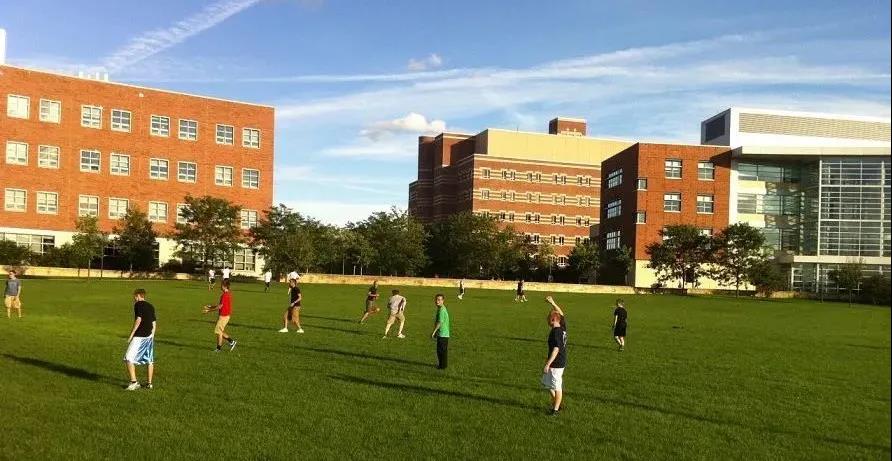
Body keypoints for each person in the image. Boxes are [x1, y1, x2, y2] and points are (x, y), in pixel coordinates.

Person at [124, 288, 156, 391]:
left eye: (134, 296)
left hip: (140, 336)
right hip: (149, 336)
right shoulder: (151, 306)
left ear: (138, 295)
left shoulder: (138, 304)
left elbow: (138, 319)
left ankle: (134, 382)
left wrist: (131, 335)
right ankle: (149, 384)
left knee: (128, 357)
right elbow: (154, 323)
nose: (134, 298)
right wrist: (152, 336)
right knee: (149, 359)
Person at [542, 311, 567, 416]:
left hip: (557, 362)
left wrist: (548, 364)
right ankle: (557, 403)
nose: (547, 321)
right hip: (555, 361)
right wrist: (553, 303)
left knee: (557, 387)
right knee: (547, 384)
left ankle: (555, 410)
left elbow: (556, 349)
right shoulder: (562, 328)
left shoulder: (556, 332)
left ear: (553, 319)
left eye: (548, 319)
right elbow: (561, 313)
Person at [203, 280, 238, 352]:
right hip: (225, 316)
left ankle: (218, 349)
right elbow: (220, 305)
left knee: (219, 332)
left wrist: (208, 311)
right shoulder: (227, 294)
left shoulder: (225, 295)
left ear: (224, 286)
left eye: (221, 285)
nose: (220, 287)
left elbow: (219, 307)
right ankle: (231, 342)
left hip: (224, 316)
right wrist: (211, 307)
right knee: (220, 331)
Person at [430, 294, 450, 369]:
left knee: (441, 351)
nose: (437, 301)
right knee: (441, 351)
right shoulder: (441, 308)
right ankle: (442, 365)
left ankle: (442, 366)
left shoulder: (441, 310)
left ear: (443, 301)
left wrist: (434, 332)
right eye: (436, 299)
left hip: (443, 333)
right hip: (442, 333)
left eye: (439, 300)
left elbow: (440, 322)